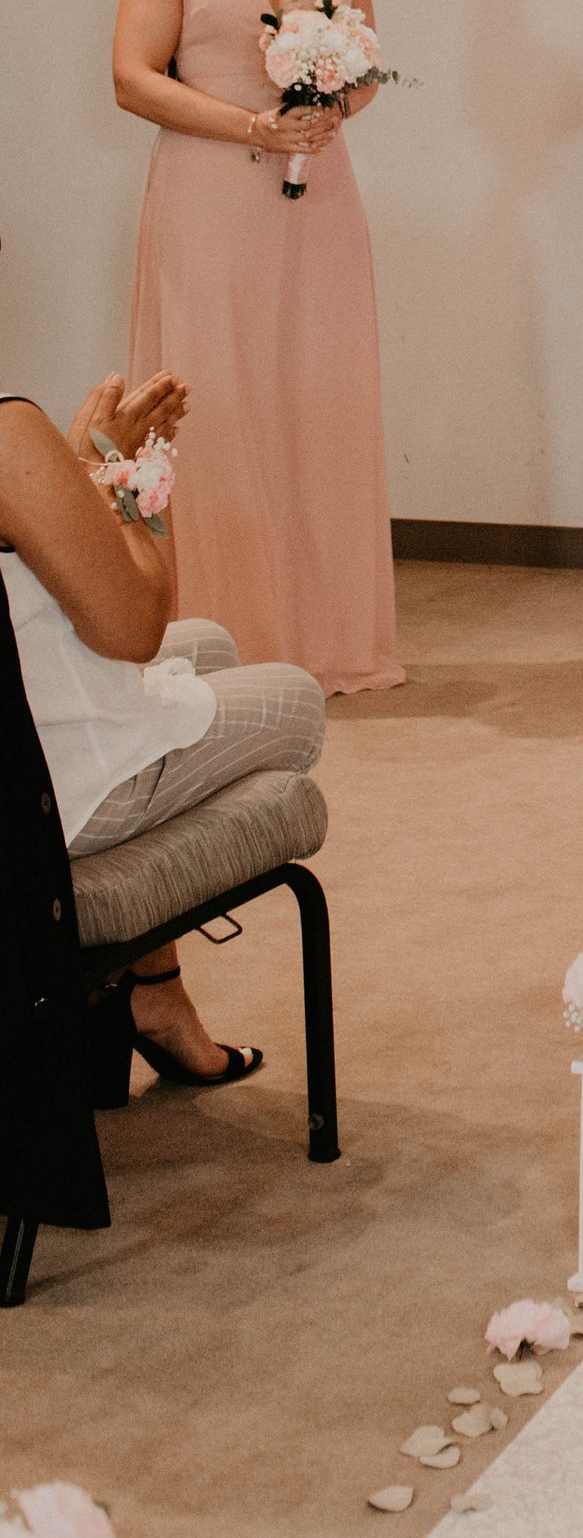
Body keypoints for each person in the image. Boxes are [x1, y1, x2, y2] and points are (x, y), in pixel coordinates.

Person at [113, 0, 400, 695]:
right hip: (211, 198)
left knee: (320, 396)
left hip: (319, 197)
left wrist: (331, 102)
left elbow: (363, 70)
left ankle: (327, 637)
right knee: (223, 405)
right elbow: (131, 76)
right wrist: (252, 124)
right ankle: (227, 639)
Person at [1, 370, 324, 1088]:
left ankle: (156, 989)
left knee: (209, 644)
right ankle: (138, 983)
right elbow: (139, 625)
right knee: (297, 701)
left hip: (26, 736)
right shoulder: (7, 434)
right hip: (46, 797)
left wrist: (73, 472)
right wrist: (126, 481)